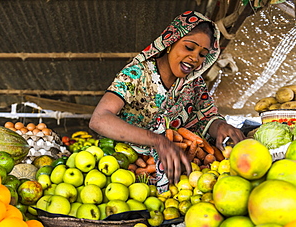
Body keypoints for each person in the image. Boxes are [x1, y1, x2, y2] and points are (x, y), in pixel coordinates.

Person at [89, 11, 245, 193]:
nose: (195, 58)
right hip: (120, 172)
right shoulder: (137, 74)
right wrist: (157, 141)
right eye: (189, 48)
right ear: (170, 43)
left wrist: (220, 127)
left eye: (203, 54)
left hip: (172, 180)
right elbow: (99, 119)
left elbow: (206, 117)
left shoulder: (194, 84)